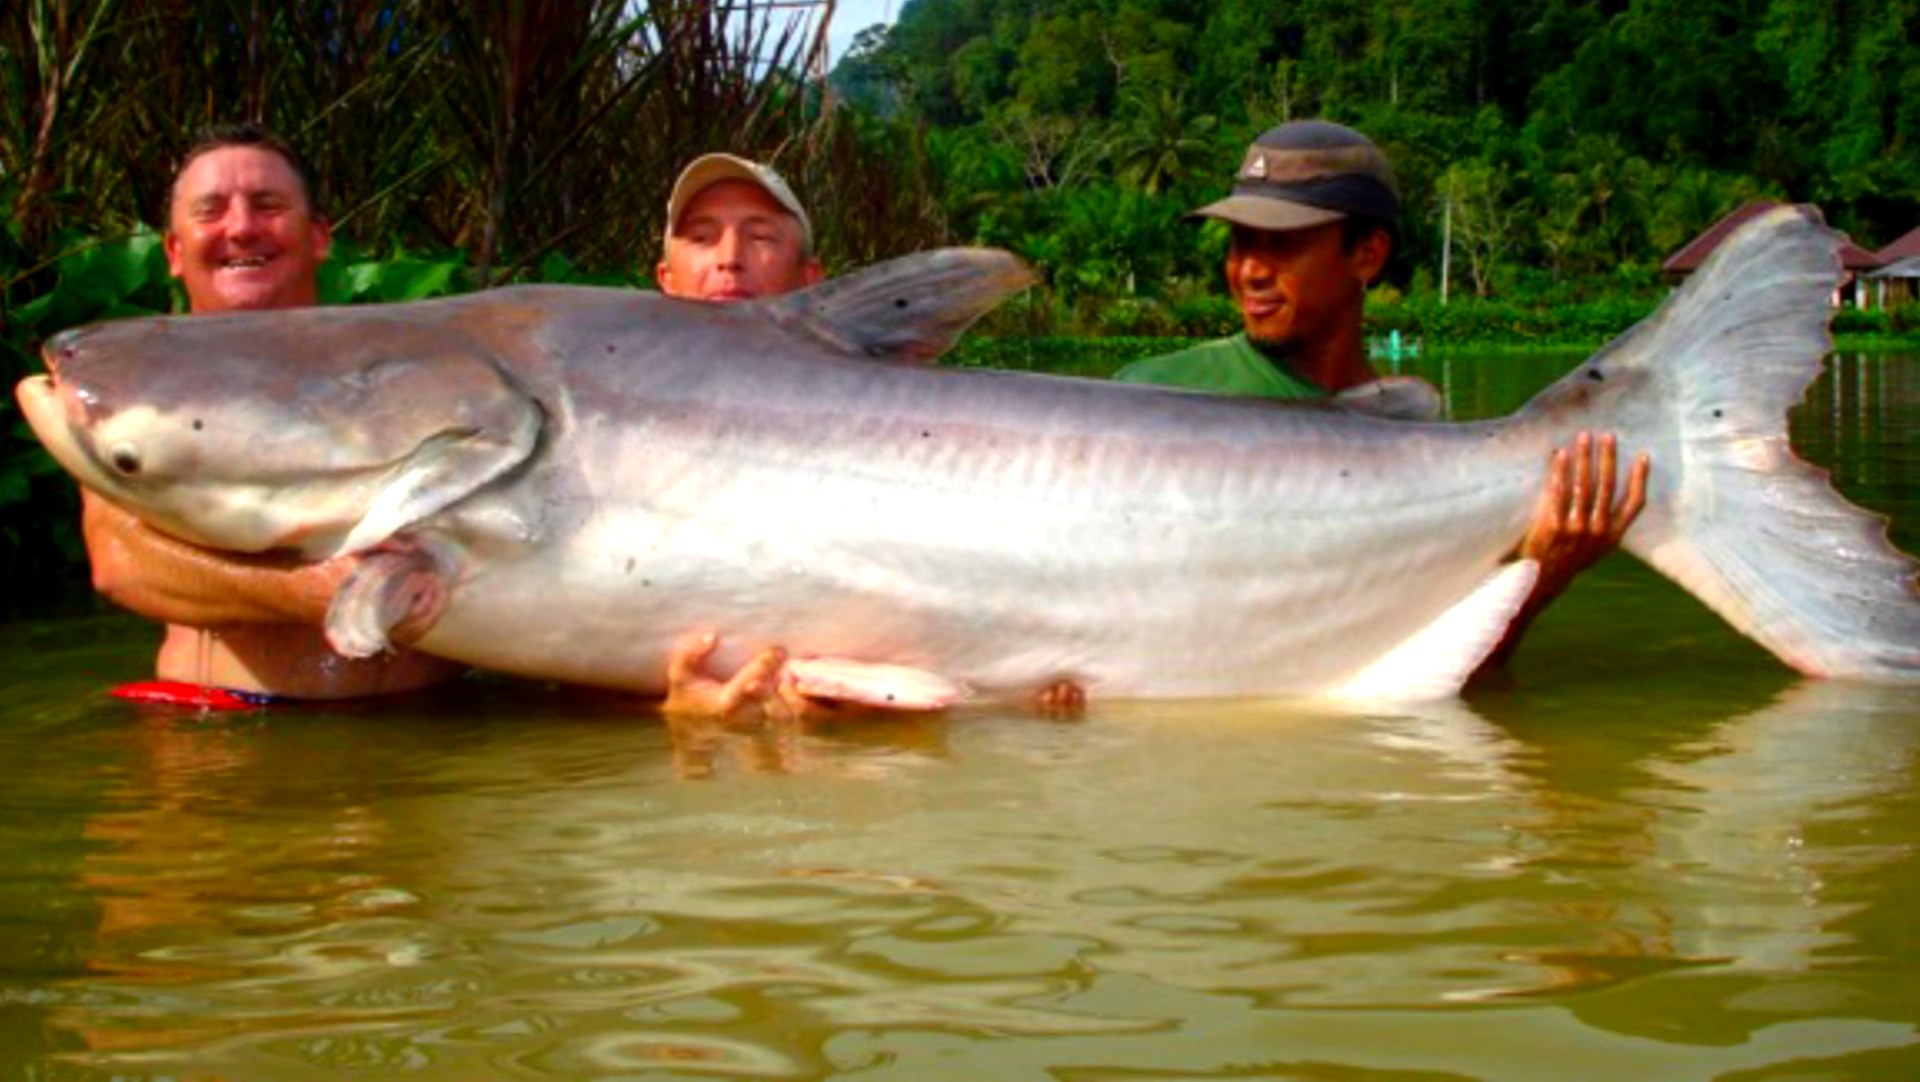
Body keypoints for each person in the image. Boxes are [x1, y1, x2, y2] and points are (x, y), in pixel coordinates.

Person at [1114, 119, 1651, 671]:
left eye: (1283, 245)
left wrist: (1544, 574)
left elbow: (1448, 685)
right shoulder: (1152, 397)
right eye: (1240, 242)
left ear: (1367, 254)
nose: (1249, 270)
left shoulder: (1434, 461)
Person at [81, 124, 463, 704]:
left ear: (318, 237)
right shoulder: (134, 387)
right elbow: (121, 560)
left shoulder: (411, 368)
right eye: (211, 211)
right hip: (223, 739)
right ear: (174, 251)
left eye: (268, 206)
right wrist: (317, 594)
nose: (240, 228)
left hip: (434, 726)